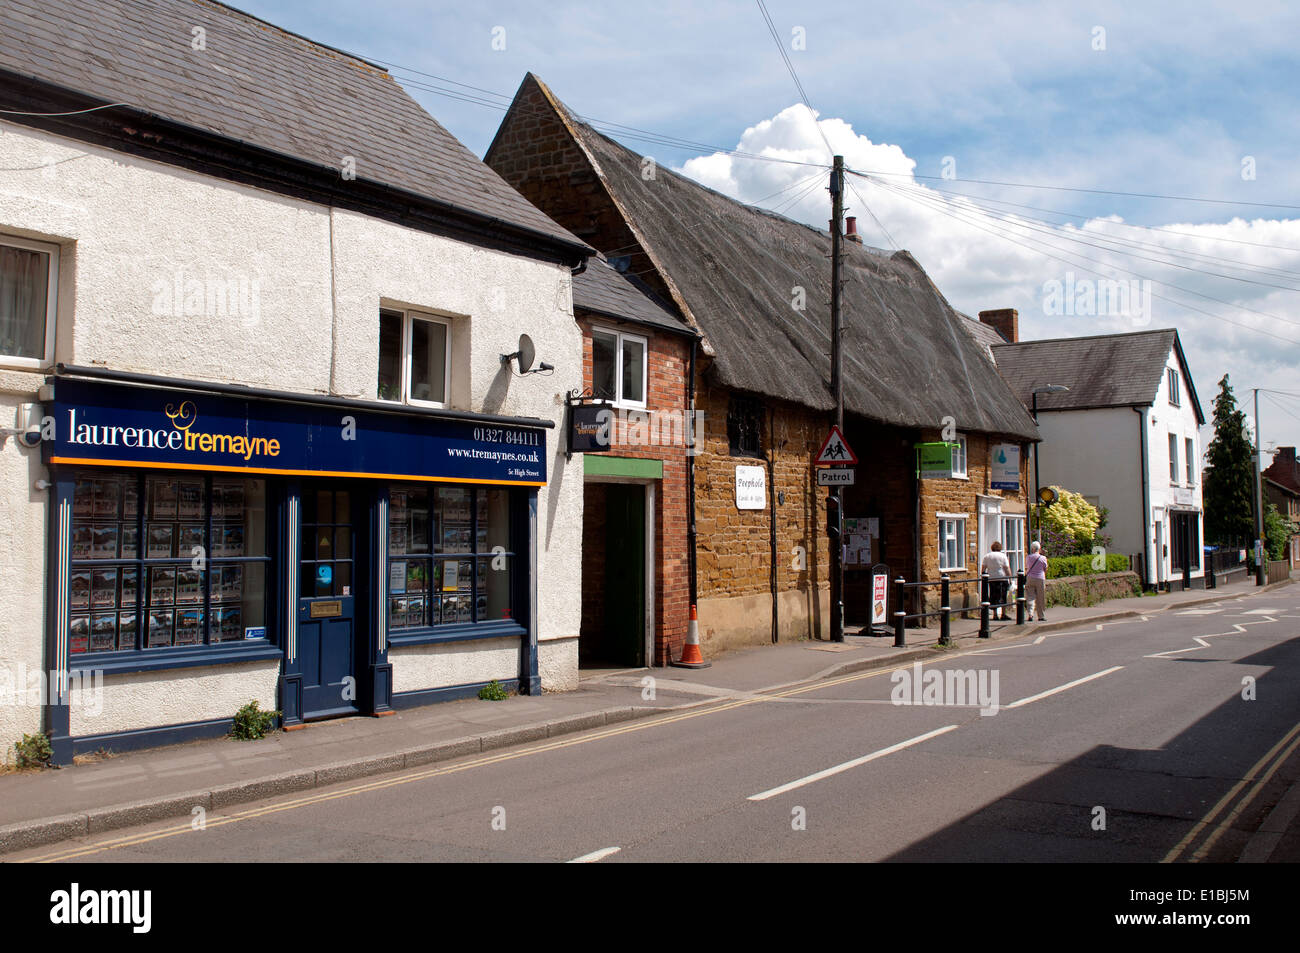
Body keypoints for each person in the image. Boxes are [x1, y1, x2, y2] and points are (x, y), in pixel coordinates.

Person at [980, 540, 1012, 619]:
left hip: (991, 578)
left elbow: (983, 568)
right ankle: (1003, 614)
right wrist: (1010, 578)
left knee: (993, 596)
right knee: (1003, 595)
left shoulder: (987, 556)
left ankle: (995, 614)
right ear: (1000, 548)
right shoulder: (1003, 556)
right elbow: (1006, 568)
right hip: (1002, 578)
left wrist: (983, 577)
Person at [1026, 540, 1049, 621]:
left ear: (1032, 549)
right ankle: (1041, 615)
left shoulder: (1028, 557)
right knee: (1040, 597)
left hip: (1030, 578)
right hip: (1040, 578)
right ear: (1039, 549)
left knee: (1030, 596)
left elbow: (1027, 567)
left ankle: (1030, 614)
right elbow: (1045, 568)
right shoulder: (1043, 558)